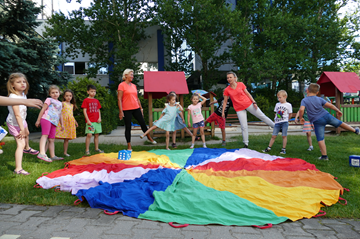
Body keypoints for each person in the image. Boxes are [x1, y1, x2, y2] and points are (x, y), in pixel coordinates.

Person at [298, 83, 360, 160]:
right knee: (340, 123)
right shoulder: (319, 99)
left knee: (320, 138)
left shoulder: (304, 100)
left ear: (307, 91)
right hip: (326, 116)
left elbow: (301, 110)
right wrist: (338, 110)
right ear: (317, 92)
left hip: (317, 121)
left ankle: (324, 156)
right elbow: (330, 105)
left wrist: (301, 118)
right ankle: (355, 130)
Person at [222, 71, 275, 148]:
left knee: (262, 116)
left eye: (230, 77)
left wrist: (254, 102)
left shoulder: (241, 84)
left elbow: (248, 93)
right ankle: (246, 144)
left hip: (248, 104)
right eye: (228, 78)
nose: (229, 79)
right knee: (244, 126)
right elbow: (225, 101)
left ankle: (275, 127)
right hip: (239, 108)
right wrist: (223, 111)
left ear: (234, 78)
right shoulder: (227, 90)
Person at [6, 73, 39, 175]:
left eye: (24, 81)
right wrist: (22, 128)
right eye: (18, 82)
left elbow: (23, 113)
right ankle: (18, 169)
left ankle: (27, 148)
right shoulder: (13, 97)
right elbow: (17, 115)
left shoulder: (23, 95)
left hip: (21, 120)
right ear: (12, 85)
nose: (22, 83)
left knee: (27, 134)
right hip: (14, 123)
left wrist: (25, 127)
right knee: (21, 144)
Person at [118, 69, 157, 150]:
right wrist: (121, 112)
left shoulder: (134, 86)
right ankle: (129, 145)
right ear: (126, 75)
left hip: (136, 108)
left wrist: (141, 108)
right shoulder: (121, 85)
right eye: (131, 74)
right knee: (128, 127)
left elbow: (137, 98)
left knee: (143, 123)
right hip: (126, 109)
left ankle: (149, 138)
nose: (132, 76)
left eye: (133, 74)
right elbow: (119, 99)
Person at [35, 85, 64, 162]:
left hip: (54, 122)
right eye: (53, 92)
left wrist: (62, 124)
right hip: (46, 119)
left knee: (51, 139)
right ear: (50, 94)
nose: (55, 94)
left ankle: (53, 156)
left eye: (56, 92)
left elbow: (60, 114)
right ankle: (41, 153)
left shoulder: (60, 103)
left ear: (59, 93)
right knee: (45, 135)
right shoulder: (49, 99)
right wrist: (38, 120)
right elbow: (43, 109)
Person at [262, 90, 292, 154]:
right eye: (278, 97)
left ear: (285, 97)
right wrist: (276, 118)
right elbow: (276, 112)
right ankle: (269, 147)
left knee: (284, 136)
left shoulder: (288, 105)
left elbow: (290, 114)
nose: (279, 99)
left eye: (280, 97)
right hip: (277, 123)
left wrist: (287, 120)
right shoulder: (277, 104)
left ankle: (283, 149)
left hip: (284, 122)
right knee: (273, 136)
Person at [81, 85, 104, 156]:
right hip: (90, 122)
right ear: (88, 92)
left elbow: (98, 110)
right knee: (89, 134)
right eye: (91, 91)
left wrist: (99, 118)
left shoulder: (96, 101)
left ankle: (96, 148)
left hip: (97, 121)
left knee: (96, 135)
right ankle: (87, 150)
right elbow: (84, 111)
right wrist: (87, 120)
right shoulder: (86, 100)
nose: (93, 93)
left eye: (94, 91)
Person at [55, 89, 78, 157]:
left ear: (72, 97)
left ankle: (65, 152)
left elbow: (71, 115)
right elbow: (59, 112)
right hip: (63, 122)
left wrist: (75, 122)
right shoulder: (62, 103)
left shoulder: (72, 105)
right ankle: (46, 150)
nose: (68, 97)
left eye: (70, 96)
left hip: (69, 122)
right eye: (67, 96)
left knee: (67, 138)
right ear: (64, 96)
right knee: (53, 136)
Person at [295, 87, 314, 151]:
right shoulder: (304, 101)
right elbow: (300, 110)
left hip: (314, 119)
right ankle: (310, 146)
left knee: (319, 133)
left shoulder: (313, 101)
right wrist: (296, 117)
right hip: (307, 120)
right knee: (308, 133)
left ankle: (321, 146)